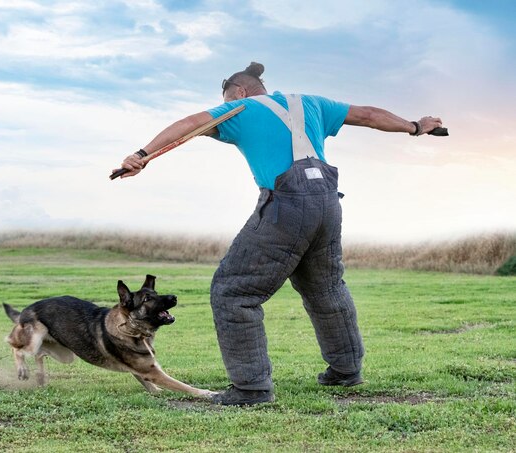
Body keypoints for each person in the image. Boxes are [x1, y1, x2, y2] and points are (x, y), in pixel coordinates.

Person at [115, 62, 443, 406]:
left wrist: (141, 155)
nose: (225, 104)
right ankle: (346, 371)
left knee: (233, 292)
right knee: (326, 289)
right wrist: (416, 126)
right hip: (328, 203)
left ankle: (251, 389)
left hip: (287, 203)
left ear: (239, 91)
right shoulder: (311, 102)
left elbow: (189, 125)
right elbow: (369, 114)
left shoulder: (237, 108)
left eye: (226, 97)